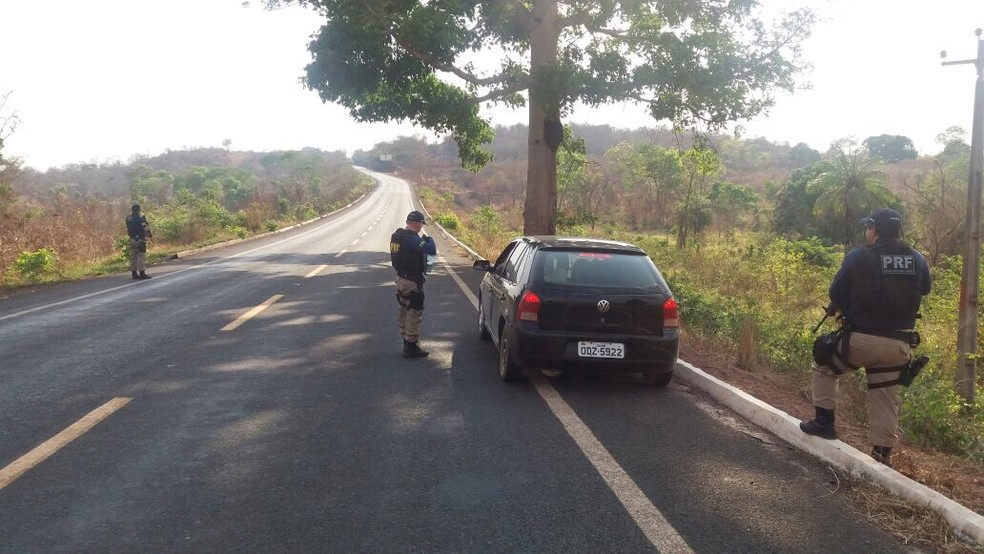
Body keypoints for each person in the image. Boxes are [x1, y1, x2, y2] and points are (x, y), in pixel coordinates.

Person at [800, 208, 931, 466]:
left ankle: (824, 423)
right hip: (899, 345)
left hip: (860, 341)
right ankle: (882, 453)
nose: (866, 232)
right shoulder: (916, 258)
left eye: (868, 228)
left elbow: (836, 291)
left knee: (824, 365)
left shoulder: (859, 256)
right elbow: (925, 288)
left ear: (874, 230)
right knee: (885, 392)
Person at [390, 210, 437, 358]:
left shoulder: (397, 236)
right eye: (421, 224)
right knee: (414, 312)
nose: (421, 227)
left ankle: (406, 340)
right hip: (411, 281)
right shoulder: (411, 239)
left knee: (404, 310)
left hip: (400, 278)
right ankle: (411, 345)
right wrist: (428, 238)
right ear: (416, 222)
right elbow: (431, 249)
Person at [125, 204, 153, 280]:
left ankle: (134, 274)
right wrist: (147, 227)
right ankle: (142, 273)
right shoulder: (140, 219)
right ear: (139, 210)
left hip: (132, 239)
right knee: (141, 257)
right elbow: (145, 229)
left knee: (133, 257)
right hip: (140, 240)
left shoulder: (128, 218)